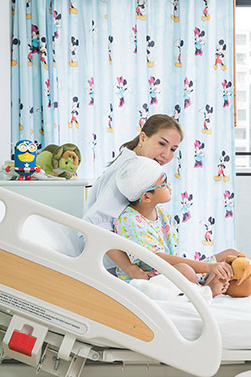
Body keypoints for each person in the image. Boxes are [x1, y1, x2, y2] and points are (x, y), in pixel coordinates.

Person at [84, 114, 237, 279]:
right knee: (186, 271)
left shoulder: (142, 170)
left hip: (141, 261)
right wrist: (130, 269)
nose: (166, 154)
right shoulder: (129, 172)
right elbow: (97, 225)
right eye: (162, 144)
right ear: (143, 137)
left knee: (230, 255)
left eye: (173, 149)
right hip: (110, 263)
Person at [114, 156, 233, 296]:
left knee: (230, 254)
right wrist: (208, 267)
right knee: (185, 270)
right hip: (150, 279)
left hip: (169, 271)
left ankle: (208, 286)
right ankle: (205, 292)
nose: (169, 185)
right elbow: (157, 259)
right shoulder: (129, 221)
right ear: (146, 197)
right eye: (164, 182)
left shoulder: (160, 213)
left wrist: (212, 268)